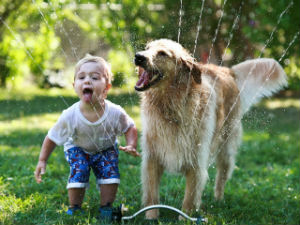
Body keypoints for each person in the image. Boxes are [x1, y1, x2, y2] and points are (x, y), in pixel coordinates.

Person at [34, 54, 139, 219]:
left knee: (110, 175)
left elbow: (130, 127)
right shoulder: (70, 115)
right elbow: (52, 137)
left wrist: (131, 144)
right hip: (78, 148)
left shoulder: (115, 112)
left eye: (95, 77)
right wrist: (42, 160)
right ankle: (75, 207)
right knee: (80, 170)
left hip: (106, 148)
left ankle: (106, 208)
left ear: (107, 88)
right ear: (74, 85)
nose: (87, 81)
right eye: (81, 77)